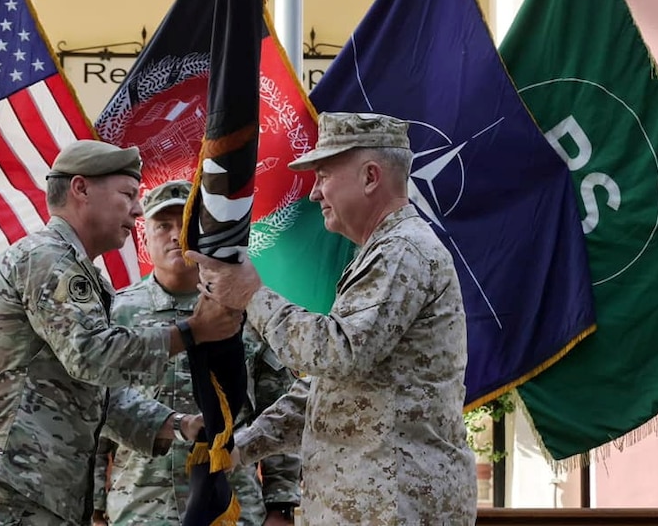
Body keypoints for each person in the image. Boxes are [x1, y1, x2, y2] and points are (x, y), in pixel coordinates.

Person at [187, 112, 478, 525]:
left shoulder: (402, 253)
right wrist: (242, 447)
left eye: (323, 176)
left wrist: (251, 295)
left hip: (395, 509)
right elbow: (328, 388)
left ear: (371, 177)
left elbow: (337, 353)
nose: (314, 194)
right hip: (371, 506)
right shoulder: (384, 252)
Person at [0, 140, 244, 526]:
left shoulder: (75, 270)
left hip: (36, 493)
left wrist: (178, 425)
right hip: (10, 494)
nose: (137, 210)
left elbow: (94, 392)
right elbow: (91, 355)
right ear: (81, 189)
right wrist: (190, 332)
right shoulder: (46, 258)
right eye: (127, 195)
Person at [90, 180, 301, 526]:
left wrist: (281, 505)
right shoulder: (115, 315)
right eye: (162, 226)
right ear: (145, 239)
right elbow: (96, 413)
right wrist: (94, 508)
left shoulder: (246, 310)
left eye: (186, 226)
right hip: (141, 509)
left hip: (231, 506)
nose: (175, 235)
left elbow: (277, 407)